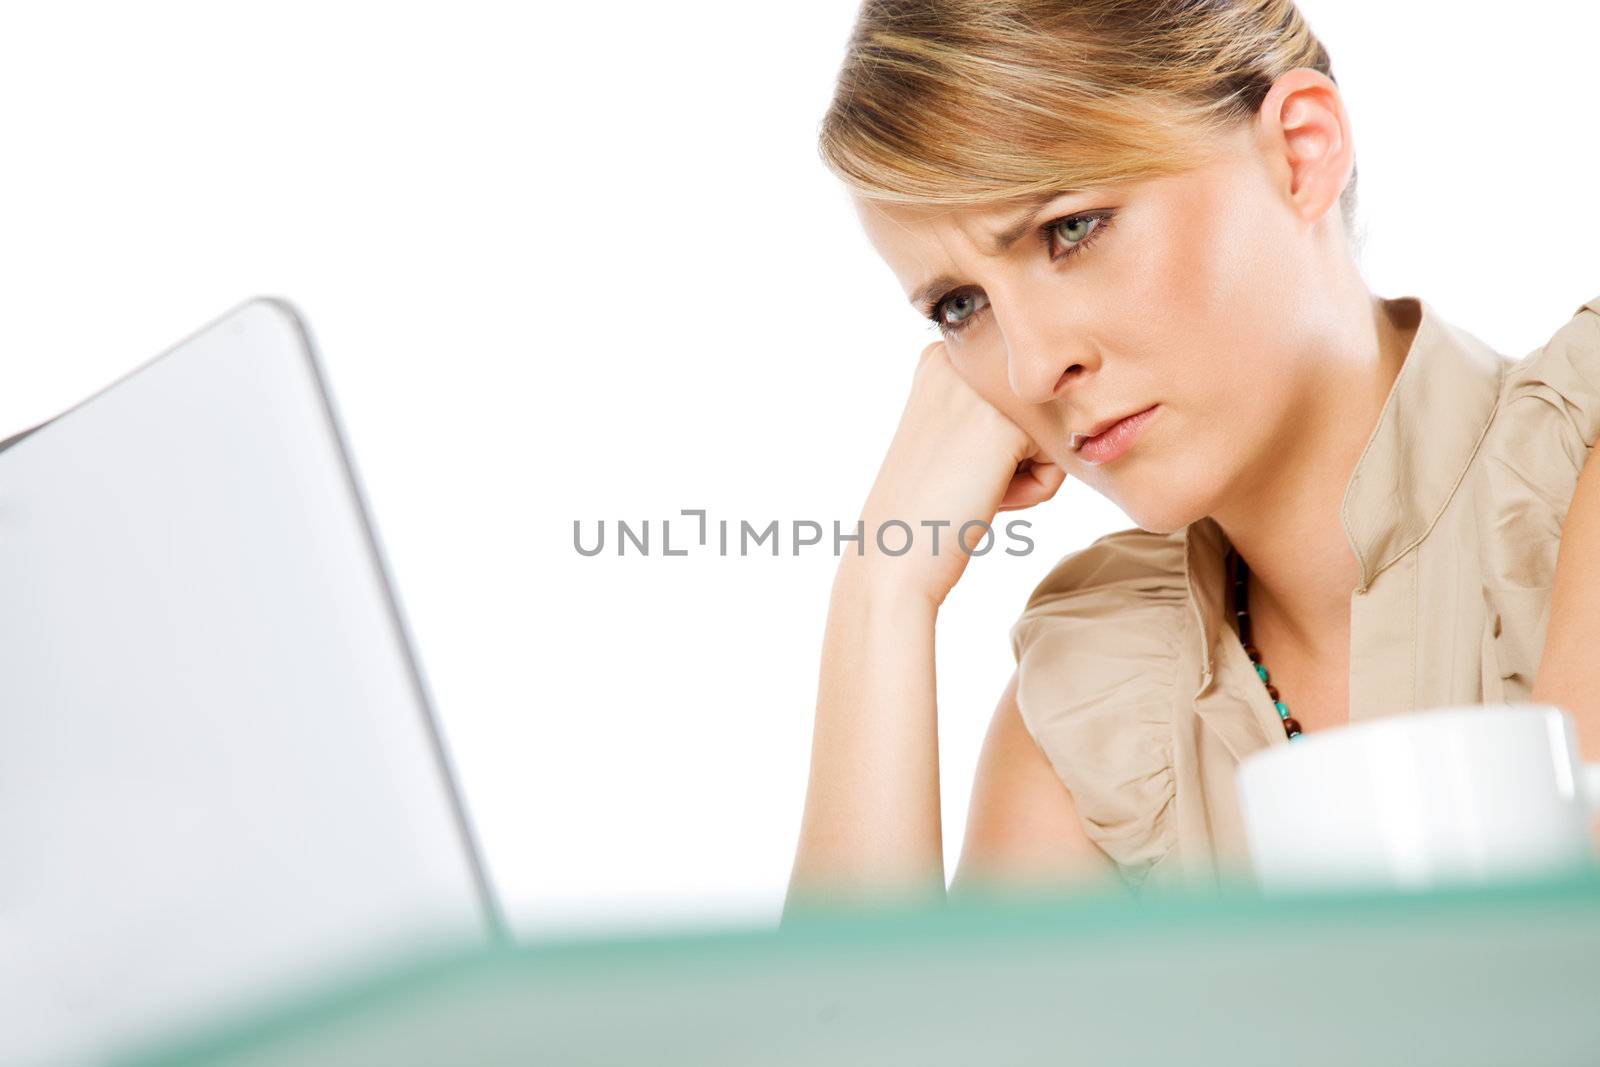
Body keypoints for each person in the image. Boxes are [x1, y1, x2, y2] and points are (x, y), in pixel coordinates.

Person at [782, 0, 1600, 915]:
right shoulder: (1102, 706)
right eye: (960, 306)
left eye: (1072, 228)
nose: (1032, 365)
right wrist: (881, 595)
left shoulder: (1583, 464)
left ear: (1302, 151)